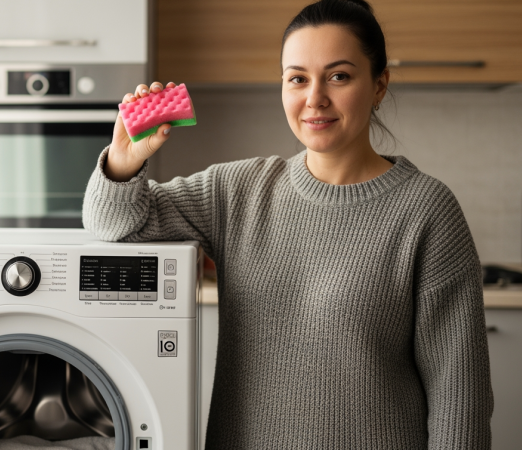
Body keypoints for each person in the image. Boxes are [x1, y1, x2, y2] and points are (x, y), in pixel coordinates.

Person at [82, 0, 493, 447]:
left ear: (379, 86)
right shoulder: (236, 191)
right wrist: (123, 159)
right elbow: (113, 222)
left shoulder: (427, 210)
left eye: (339, 76)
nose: (315, 98)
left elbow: (460, 400)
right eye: (297, 78)